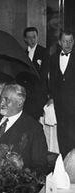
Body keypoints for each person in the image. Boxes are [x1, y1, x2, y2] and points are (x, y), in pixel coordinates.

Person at [48, 30, 75, 158]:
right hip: (59, 104)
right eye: (65, 41)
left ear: (74, 42)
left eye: (70, 41)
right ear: (59, 42)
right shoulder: (53, 58)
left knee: (73, 134)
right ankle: (65, 162)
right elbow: (52, 81)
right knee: (62, 134)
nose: (68, 44)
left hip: (74, 104)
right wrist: (51, 98)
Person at [23, 27, 49, 120]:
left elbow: (44, 74)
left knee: (36, 120)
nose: (32, 40)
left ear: (37, 37)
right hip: (27, 93)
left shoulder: (44, 52)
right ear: (25, 39)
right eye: (29, 38)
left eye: (34, 37)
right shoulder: (23, 53)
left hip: (39, 93)